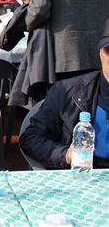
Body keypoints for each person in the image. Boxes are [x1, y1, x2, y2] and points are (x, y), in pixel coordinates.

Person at [20, 19, 109, 169]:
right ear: (100, 52)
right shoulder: (67, 91)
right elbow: (30, 138)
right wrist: (65, 154)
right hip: (82, 177)